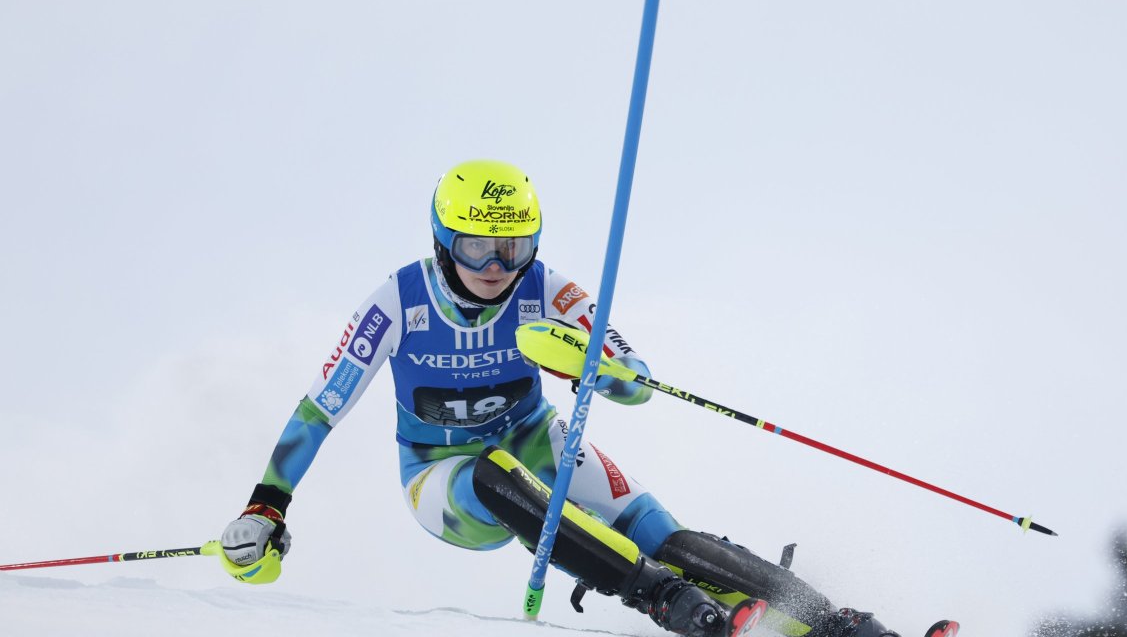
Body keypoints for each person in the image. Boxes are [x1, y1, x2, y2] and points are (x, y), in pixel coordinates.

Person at [219, 159, 953, 637]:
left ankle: (838, 623)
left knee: (657, 527)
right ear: (444, 240)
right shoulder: (397, 302)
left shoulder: (545, 287)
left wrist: (598, 368)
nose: (496, 267)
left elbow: (635, 375)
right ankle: (665, 599)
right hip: (443, 478)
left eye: (514, 247)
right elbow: (319, 410)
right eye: (477, 247)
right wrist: (266, 506)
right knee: (492, 475)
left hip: (537, 440)